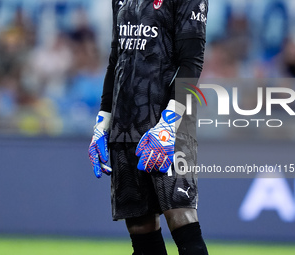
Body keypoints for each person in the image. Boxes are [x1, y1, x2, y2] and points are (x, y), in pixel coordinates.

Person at [89, 1, 209, 254]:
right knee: (139, 225)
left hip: (169, 124)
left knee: (181, 215)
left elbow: (191, 63)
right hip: (125, 124)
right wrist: (103, 122)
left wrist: (168, 123)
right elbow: (116, 59)